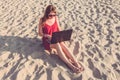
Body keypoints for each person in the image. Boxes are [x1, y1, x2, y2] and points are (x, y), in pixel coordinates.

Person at [38, 5, 84, 73]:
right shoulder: (42, 20)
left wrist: (61, 36)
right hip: (47, 40)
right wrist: (47, 35)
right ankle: (71, 66)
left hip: (56, 37)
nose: (52, 16)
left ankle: (76, 63)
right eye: (51, 15)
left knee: (62, 44)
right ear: (47, 13)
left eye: (54, 14)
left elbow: (59, 28)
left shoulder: (55, 18)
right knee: (57, 45)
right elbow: (40, 33)